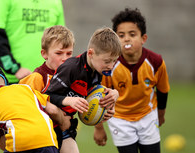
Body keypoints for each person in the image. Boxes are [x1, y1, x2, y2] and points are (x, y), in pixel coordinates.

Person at [0, 0, 65, 152]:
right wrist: (14, 68)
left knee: (49, 133)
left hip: (47, 82)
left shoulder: (55, 2)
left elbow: (61, 39)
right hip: (10, 84)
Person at [93, 8, 170, 153]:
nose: (126, 39)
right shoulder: (109, 66)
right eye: (121, 35)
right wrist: (99, 128)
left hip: (148, 115)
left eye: (132, 34)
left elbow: (163, 90)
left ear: (143, 38)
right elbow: (100, 97)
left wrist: (160, 115)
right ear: (116, 40)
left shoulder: (156, 62)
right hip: (120, 119)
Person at [45, 27, 121, 152]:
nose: (111, 66)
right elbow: (46, 96)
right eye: (107, 61)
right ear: (91, 53)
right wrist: (68, 101)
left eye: (114, 61)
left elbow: (91, 99)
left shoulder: (97, 71)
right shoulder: (71, 68)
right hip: (47, 127)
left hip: (65, 128)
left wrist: (106, 107)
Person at [0, 61, 71, 153]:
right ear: (3, 78)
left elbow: (2, 143)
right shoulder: (25, 88)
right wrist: (63, 122)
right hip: (48, 142)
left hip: (19, 146)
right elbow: (53, 110)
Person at [19, 25, 75, 152]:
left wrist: (108, 96)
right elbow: (23, 106)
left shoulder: (73, 74)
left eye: (69, 53)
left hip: (64, 132)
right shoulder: (37, 77)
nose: (65, 58)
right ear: (44, 53)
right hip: (41, 137)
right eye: (59, 53)